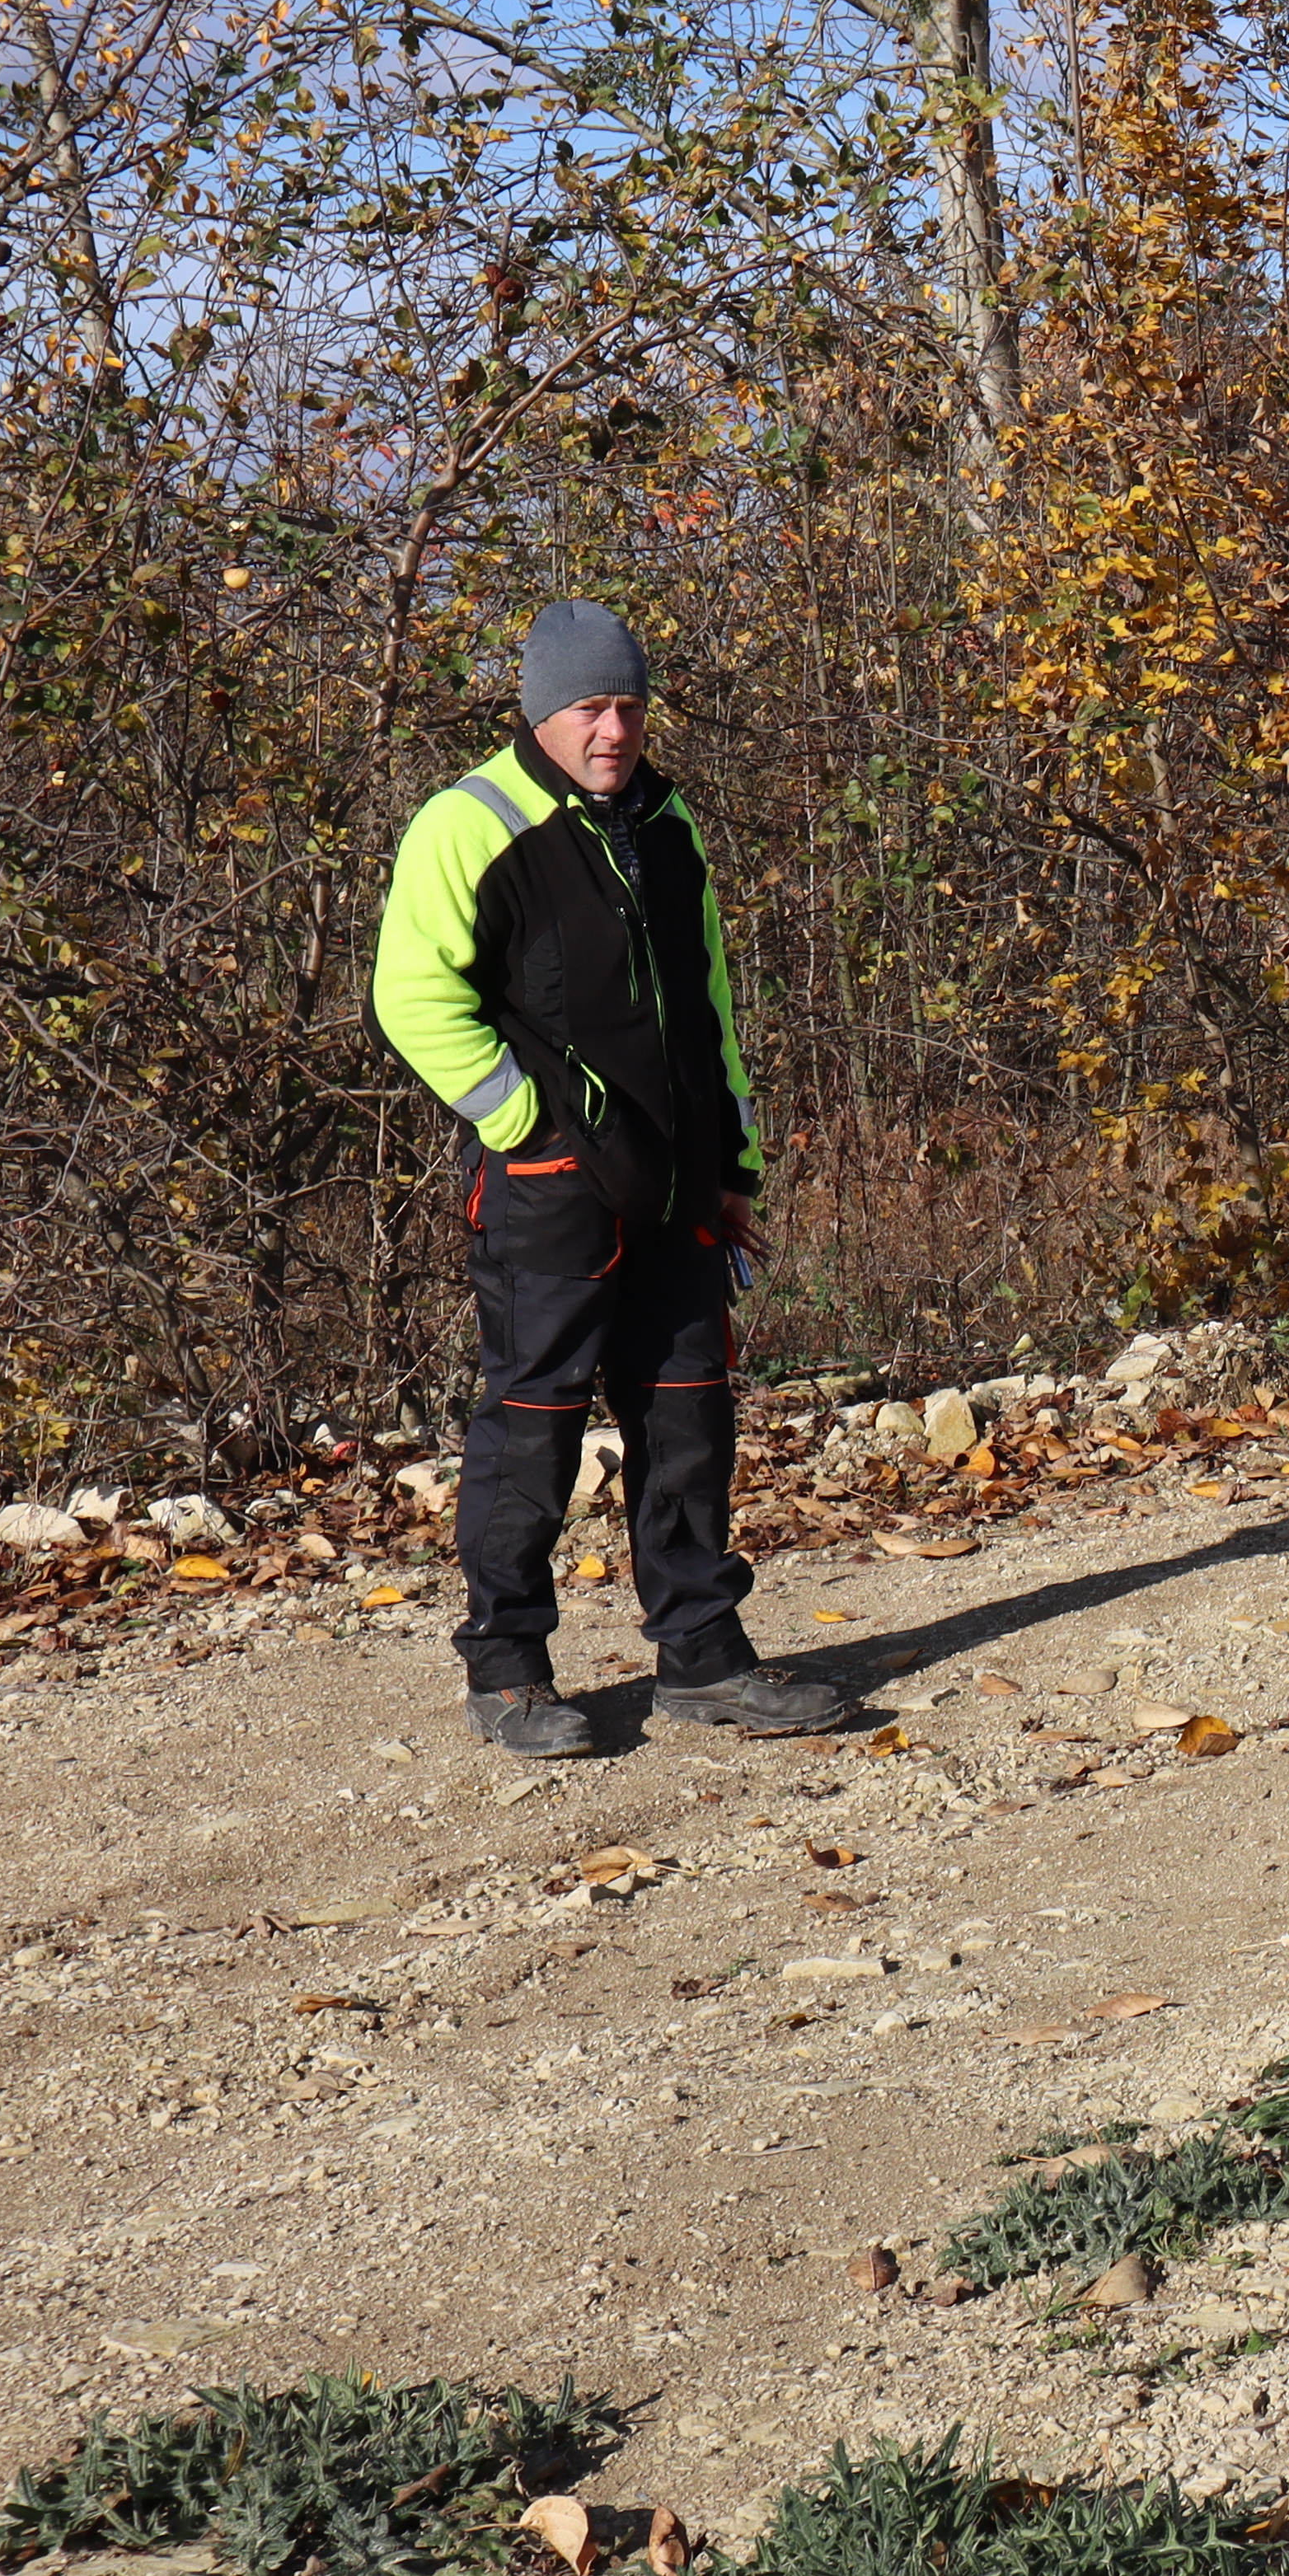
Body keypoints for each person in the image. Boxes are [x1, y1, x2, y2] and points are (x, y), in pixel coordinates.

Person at [368, 602, 853, 1757]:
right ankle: (508, 1673)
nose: (614, 730)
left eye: (629, 706)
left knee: (688, 1418)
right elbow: (411, 998)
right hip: (547, 1185)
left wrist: (734, 1163)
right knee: (530, 1421)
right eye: (591, 707)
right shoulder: (468, 825)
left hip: (680, 1181)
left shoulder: (669, 820)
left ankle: (702, 1656)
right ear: (541, 711)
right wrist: (523, 1120)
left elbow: (710, 1009)